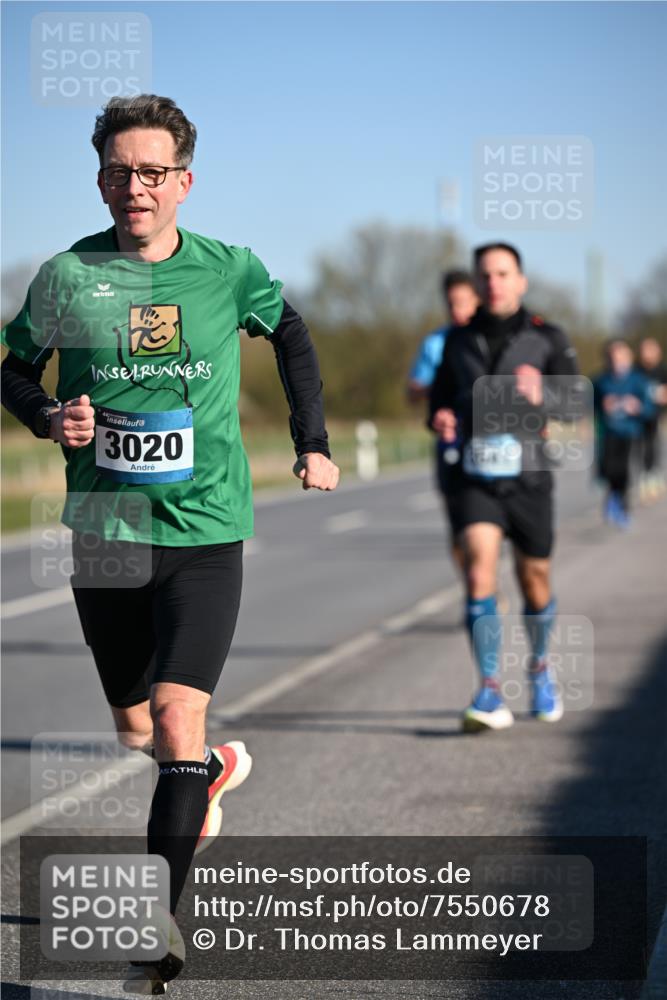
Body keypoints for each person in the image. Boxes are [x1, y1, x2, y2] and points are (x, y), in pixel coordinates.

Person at [1, 94, 339, 987]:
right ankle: (211, 773)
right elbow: (12, 368)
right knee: (135, 727)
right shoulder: (67, 277)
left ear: (183, 181)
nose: (135, 188)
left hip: (204, 529)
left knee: (180, 715)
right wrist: (48, 416)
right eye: (120, 172)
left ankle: (158, 926)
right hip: (105, 534)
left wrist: (313, 441)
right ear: (101, 179)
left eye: (153, 172)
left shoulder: (229, 272)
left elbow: (291, 334)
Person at [429, 243, 579, 733]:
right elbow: (439, 400)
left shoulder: (548, 337)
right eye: (485, 275)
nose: (493, 282)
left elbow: (575, 404)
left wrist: (546, 393)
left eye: (502, 273)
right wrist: (443, 416)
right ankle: (490, 688)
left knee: (535, 580)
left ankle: (539, 666)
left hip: (530, 476)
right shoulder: (456, 341)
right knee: (478, 576)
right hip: (477, 478)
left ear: (520, 280)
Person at [407, 271, 479, 575]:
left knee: (487, 523)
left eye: (463, 302)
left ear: (478, 301)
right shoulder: (436, 342)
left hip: (488, 440)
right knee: (459, 525)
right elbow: (413, 390)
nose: (457, 310)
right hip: (451, 441)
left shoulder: (488, 341)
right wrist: (438, 391)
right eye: (451, 303)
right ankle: (474, 587)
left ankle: (485, 581)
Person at [593, 339, 651, 527]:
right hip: (609, 432)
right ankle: (613, 499)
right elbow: (590, 404)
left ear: (629, 358)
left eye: (620, 357)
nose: (617, 361)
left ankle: (623, 508)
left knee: (625, 471)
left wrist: (637, 407)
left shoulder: (639, 380)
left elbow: (650, 408)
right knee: (609, 470)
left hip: (630, 432)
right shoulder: (601, 381)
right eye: (612, 358)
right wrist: (603, 406)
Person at [635, 337, 667, 502]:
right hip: (638, 415)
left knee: (654, 443)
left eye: (651, 350)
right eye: (644, 350)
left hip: (655, 414)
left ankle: (655, 473)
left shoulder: (662, 371)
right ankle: (644, 475)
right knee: (641, 445)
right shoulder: (637, 371)